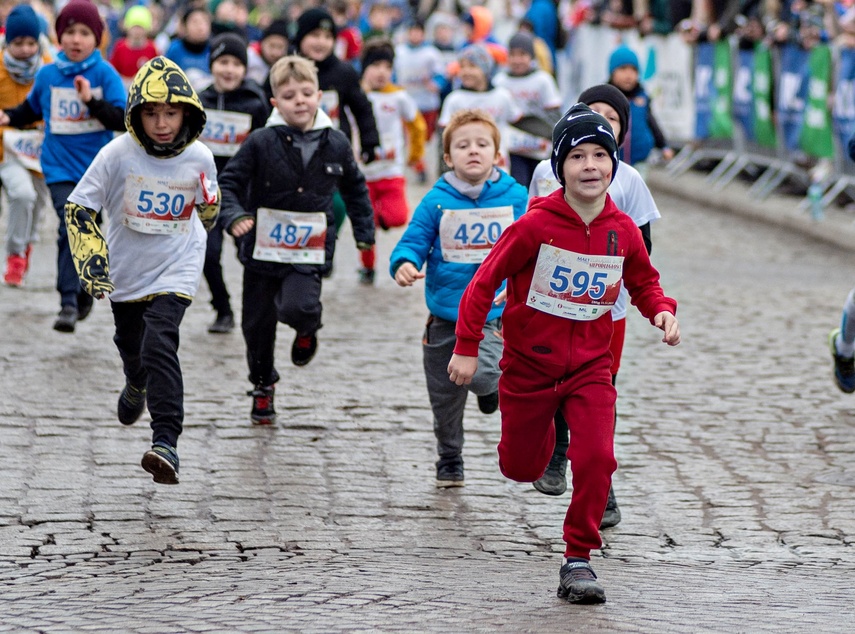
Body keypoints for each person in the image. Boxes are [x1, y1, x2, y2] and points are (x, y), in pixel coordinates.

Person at [447, 103, 679, 603]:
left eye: (601, 155)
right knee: (521, 468)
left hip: (592, 367)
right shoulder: (535, 226)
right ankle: (545, 431)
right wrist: (468, 347)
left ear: (614, 164)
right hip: (529, 366)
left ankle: (578, 560)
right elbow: (484, 283)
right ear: (559, 168)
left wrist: (660, 309)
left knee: (597, 457)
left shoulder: (622, 230)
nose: (590, 166)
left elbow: (643, 280)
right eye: (578, 157)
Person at [64, 56, 219, 485]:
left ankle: (166, 441)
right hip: (127, 272)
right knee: (132, 345)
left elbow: (208, 210)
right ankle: (135, 382)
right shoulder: (116, 154)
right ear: (136, 114)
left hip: (178, 265)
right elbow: (80, 207)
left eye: (171, 112)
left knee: (159, 343)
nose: (162, 123)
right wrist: (91, 259)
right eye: (151, 113)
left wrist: (206, 218)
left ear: (187, 112)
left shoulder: (201, 155)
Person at [528, 84, 661, 529]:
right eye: (590, 113)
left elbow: (642, 246)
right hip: (552, 306)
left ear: (620, 134)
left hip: (609, 310)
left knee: (598, 392)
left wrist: (648, 298)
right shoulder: (549, 176)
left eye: (612, 118)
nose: (590, 164)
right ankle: (557, 453)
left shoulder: (630, 181)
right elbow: (530, 234)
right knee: (558, 384)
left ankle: (603, 489)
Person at [218, 55, 374, 425]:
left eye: (307, 93)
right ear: (275, 102)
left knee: (298, 307)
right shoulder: (259, 141)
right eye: (289, 96)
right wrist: (235, 216)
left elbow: (355, 189)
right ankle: (262, 386)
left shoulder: (335, 142)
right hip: (260, 249)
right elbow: (229, 184)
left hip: (309, 248)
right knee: (256, 325)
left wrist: (365, 233)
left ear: (320, 95)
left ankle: (307, 329)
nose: (300, 101)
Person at [390, 109, 528, 487]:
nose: (473, 151)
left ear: (497, 154)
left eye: (482, 144)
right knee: (444, 400)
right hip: (445, 317)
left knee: (485, 375)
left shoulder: (516, 197)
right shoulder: (437, 201)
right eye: (462, 145)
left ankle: (489, 390)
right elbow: (413, 240)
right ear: (448, 157)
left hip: (492, 317)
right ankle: (449, 458)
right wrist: (403, 263)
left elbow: (534, 243)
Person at [0, 0, 126, 333]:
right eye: (69, 32)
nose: (76, 39)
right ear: (58, 36)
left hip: (96, 170)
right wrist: (10, 116)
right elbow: (30, 109)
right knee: (70, 225)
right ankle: (68, 301)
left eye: (84, 33)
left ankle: (84, 289)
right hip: (58, 167)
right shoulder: (48, 73)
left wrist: (91, 102)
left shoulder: (104, 74)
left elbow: (123, 120)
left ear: (96, 38)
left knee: (90, 229)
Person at [198, 32, 270, 333]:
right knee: (208, 254)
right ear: (212, 65)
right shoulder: (200, 101)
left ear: (245, 68)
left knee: (251, 255)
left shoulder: (256, 103)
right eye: (222, 62)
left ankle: (259, 309)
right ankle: (223, 308)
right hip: (206, 192)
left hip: (245, 193)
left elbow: (269, 147)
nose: (229, 70)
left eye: (236, 64)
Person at [292, 7, 379, 241]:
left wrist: (370, 143)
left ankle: (326, 244)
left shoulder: (344, 72)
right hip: (292, 150)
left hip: (333, 149)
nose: (321, 42)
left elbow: (362, 108)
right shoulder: (287, 69)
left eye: (327, 37)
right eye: (314, 35)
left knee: (338, 204)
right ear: (300, 37)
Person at [357, 38, 426, 285]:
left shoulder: (399, 97)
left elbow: (417, 125)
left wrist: (415, 155)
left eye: (387, 67)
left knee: (397, 216)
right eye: (375, 66)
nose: (381, 72)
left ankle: (373, 217)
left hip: (391, 170)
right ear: (364, 68)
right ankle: (367, 268)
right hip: (362, 173)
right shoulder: (355, 95)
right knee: (366, 230)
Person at [0, 4, 50, 287]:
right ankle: (16, 255)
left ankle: (26, 246)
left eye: (31, 42)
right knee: (22, 195)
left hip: (40, 150)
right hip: (7, 151)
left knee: (38, 204)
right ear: (9, 42)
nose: (25, 49)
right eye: (18, 43)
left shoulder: (48, 66)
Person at [437, 44, 523, 172]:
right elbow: (444, 138)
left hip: (499, 167)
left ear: (486, 69)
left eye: (472, 66)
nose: (466, 72)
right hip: (465, 169)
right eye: (462, 67)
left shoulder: (502, 96)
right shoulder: (455, 99)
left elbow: (517, 122)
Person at [493, 31, 562, 188]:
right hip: (514, 148)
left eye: (522, 54)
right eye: (513, 54)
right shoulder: (500, 81)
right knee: (520, 185)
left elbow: (555, 115)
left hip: (541, 145)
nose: (517, 60)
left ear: (531, 56)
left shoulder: (543, 80)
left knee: (543, 187)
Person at [607, 45, 674, 178]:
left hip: (639, 160)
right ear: (612, 72)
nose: (628, 75)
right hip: (612, 160)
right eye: (623, 69)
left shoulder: (642, 97)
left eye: (633, 70)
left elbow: (651, 122)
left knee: (637, 193)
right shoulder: (605, 98)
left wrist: (663, 145)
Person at [393, 19, 444, 183]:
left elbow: (441, 75)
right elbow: (393, 74)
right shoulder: (399, 52)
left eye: (418, 31)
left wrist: (435, 84)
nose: (415, 35)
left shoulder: (431, 53)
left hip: (427, 103)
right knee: (411, 136)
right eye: (412, 31)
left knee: (426, 137)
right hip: (407, 102)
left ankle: (422, 162)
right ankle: (419, 166)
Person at [165, 5, 212, 90]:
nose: (200, 27)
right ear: (184, 26)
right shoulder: (174, 49)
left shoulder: (213, 49)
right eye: (195, 22)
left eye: (204, 22)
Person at [109, 5, 158, 87]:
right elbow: (112, 72)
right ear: (127, 27)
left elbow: (156, 74)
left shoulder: (152, 48)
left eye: (141, 27)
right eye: (134, 27)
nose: (137, 31)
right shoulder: (120, 47)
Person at [247, 18, 289, 91]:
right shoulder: (249, 58)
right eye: (271, 46)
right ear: (262, 43)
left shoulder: (286, 65)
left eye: (280, 47)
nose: (275, 52)